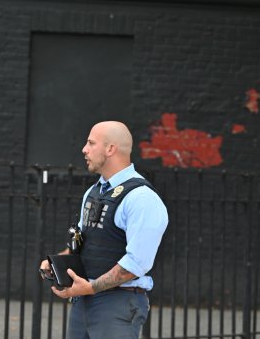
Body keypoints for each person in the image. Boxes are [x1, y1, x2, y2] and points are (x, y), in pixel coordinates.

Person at [40, 121, 169, 339]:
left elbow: (136, 263)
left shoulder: (142, 198)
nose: (84, 149)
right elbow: (83, 244)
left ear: (110, 149)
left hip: (118, 304)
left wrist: (90, 288)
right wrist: (55, 264)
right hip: (85, 301)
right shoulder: (93, 192)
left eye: (91, 143)